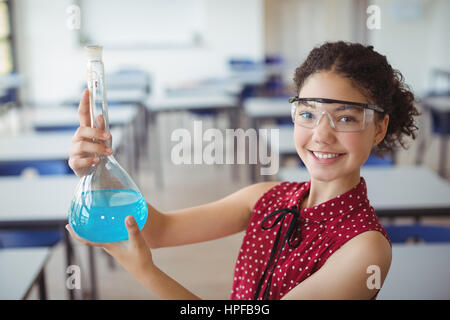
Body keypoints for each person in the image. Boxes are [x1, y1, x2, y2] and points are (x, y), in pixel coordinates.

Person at [66, 41, 419, 300]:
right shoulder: (267, 198)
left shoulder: (364, 249)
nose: (322, 135)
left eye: (345, 117)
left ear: (379, 128)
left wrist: (145, 271)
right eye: (308, 114)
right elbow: (158, 229)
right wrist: (97, 172)